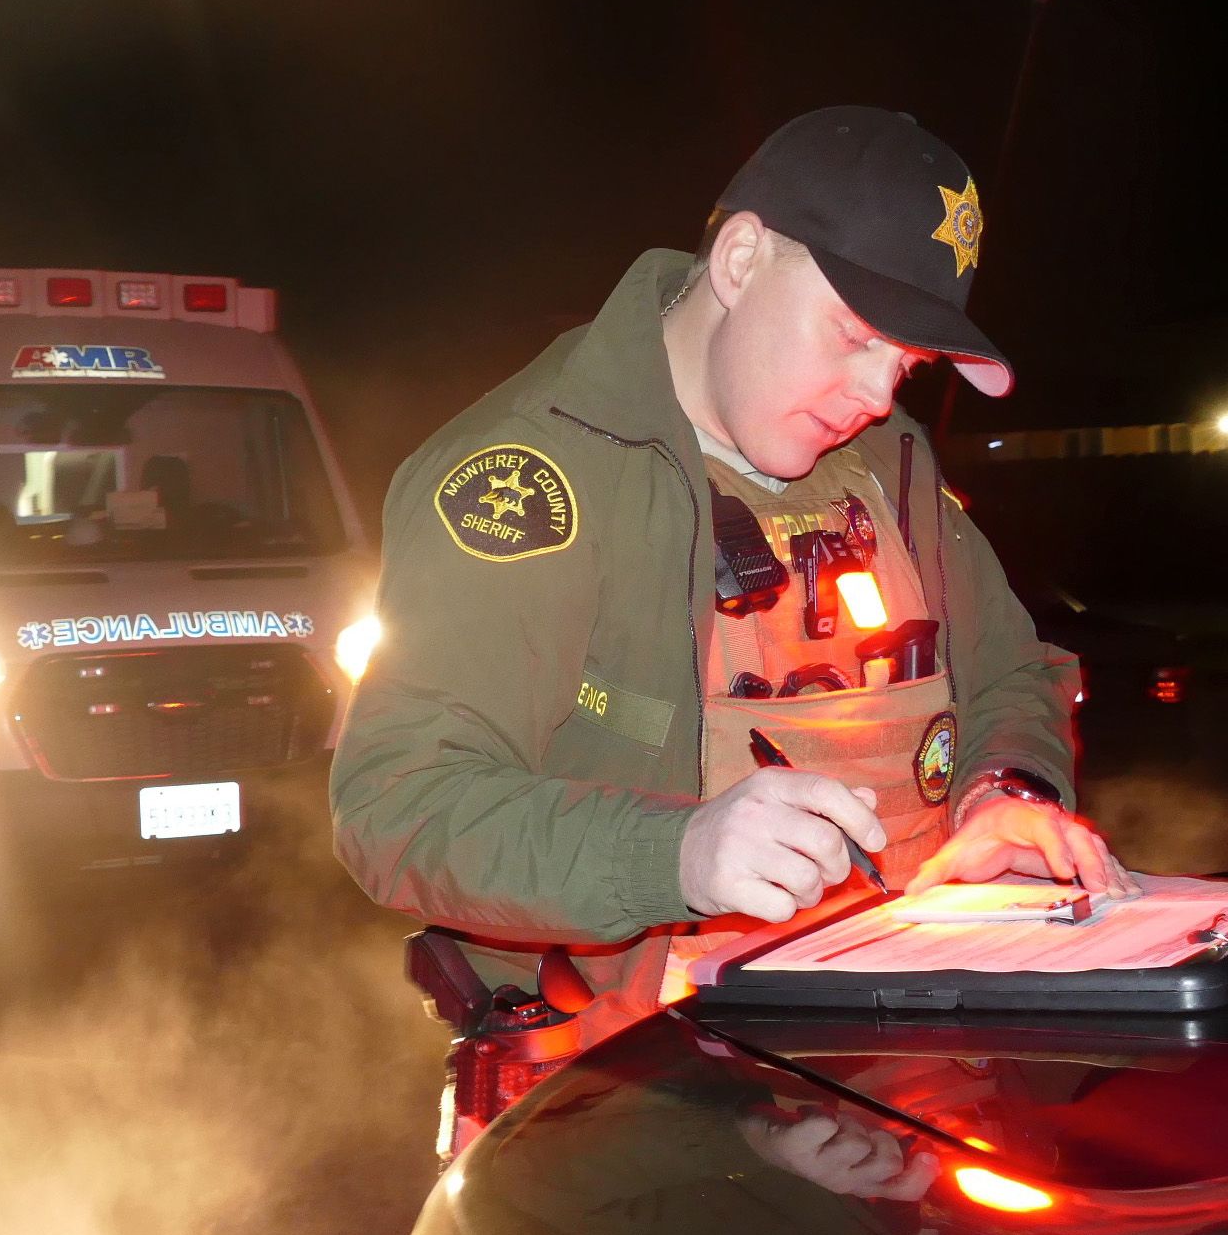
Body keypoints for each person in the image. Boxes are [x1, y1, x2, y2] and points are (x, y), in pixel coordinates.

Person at [331, 106, 1136, 1149]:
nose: (874, 395)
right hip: (628, 1111)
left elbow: (1011, 674)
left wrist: (1002, 794)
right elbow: (397, 804)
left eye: (905, 365)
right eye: (855, 336)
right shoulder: (529, 480)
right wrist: (676, 852)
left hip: (898, 1086)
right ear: (743, 259)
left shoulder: (885, 462)